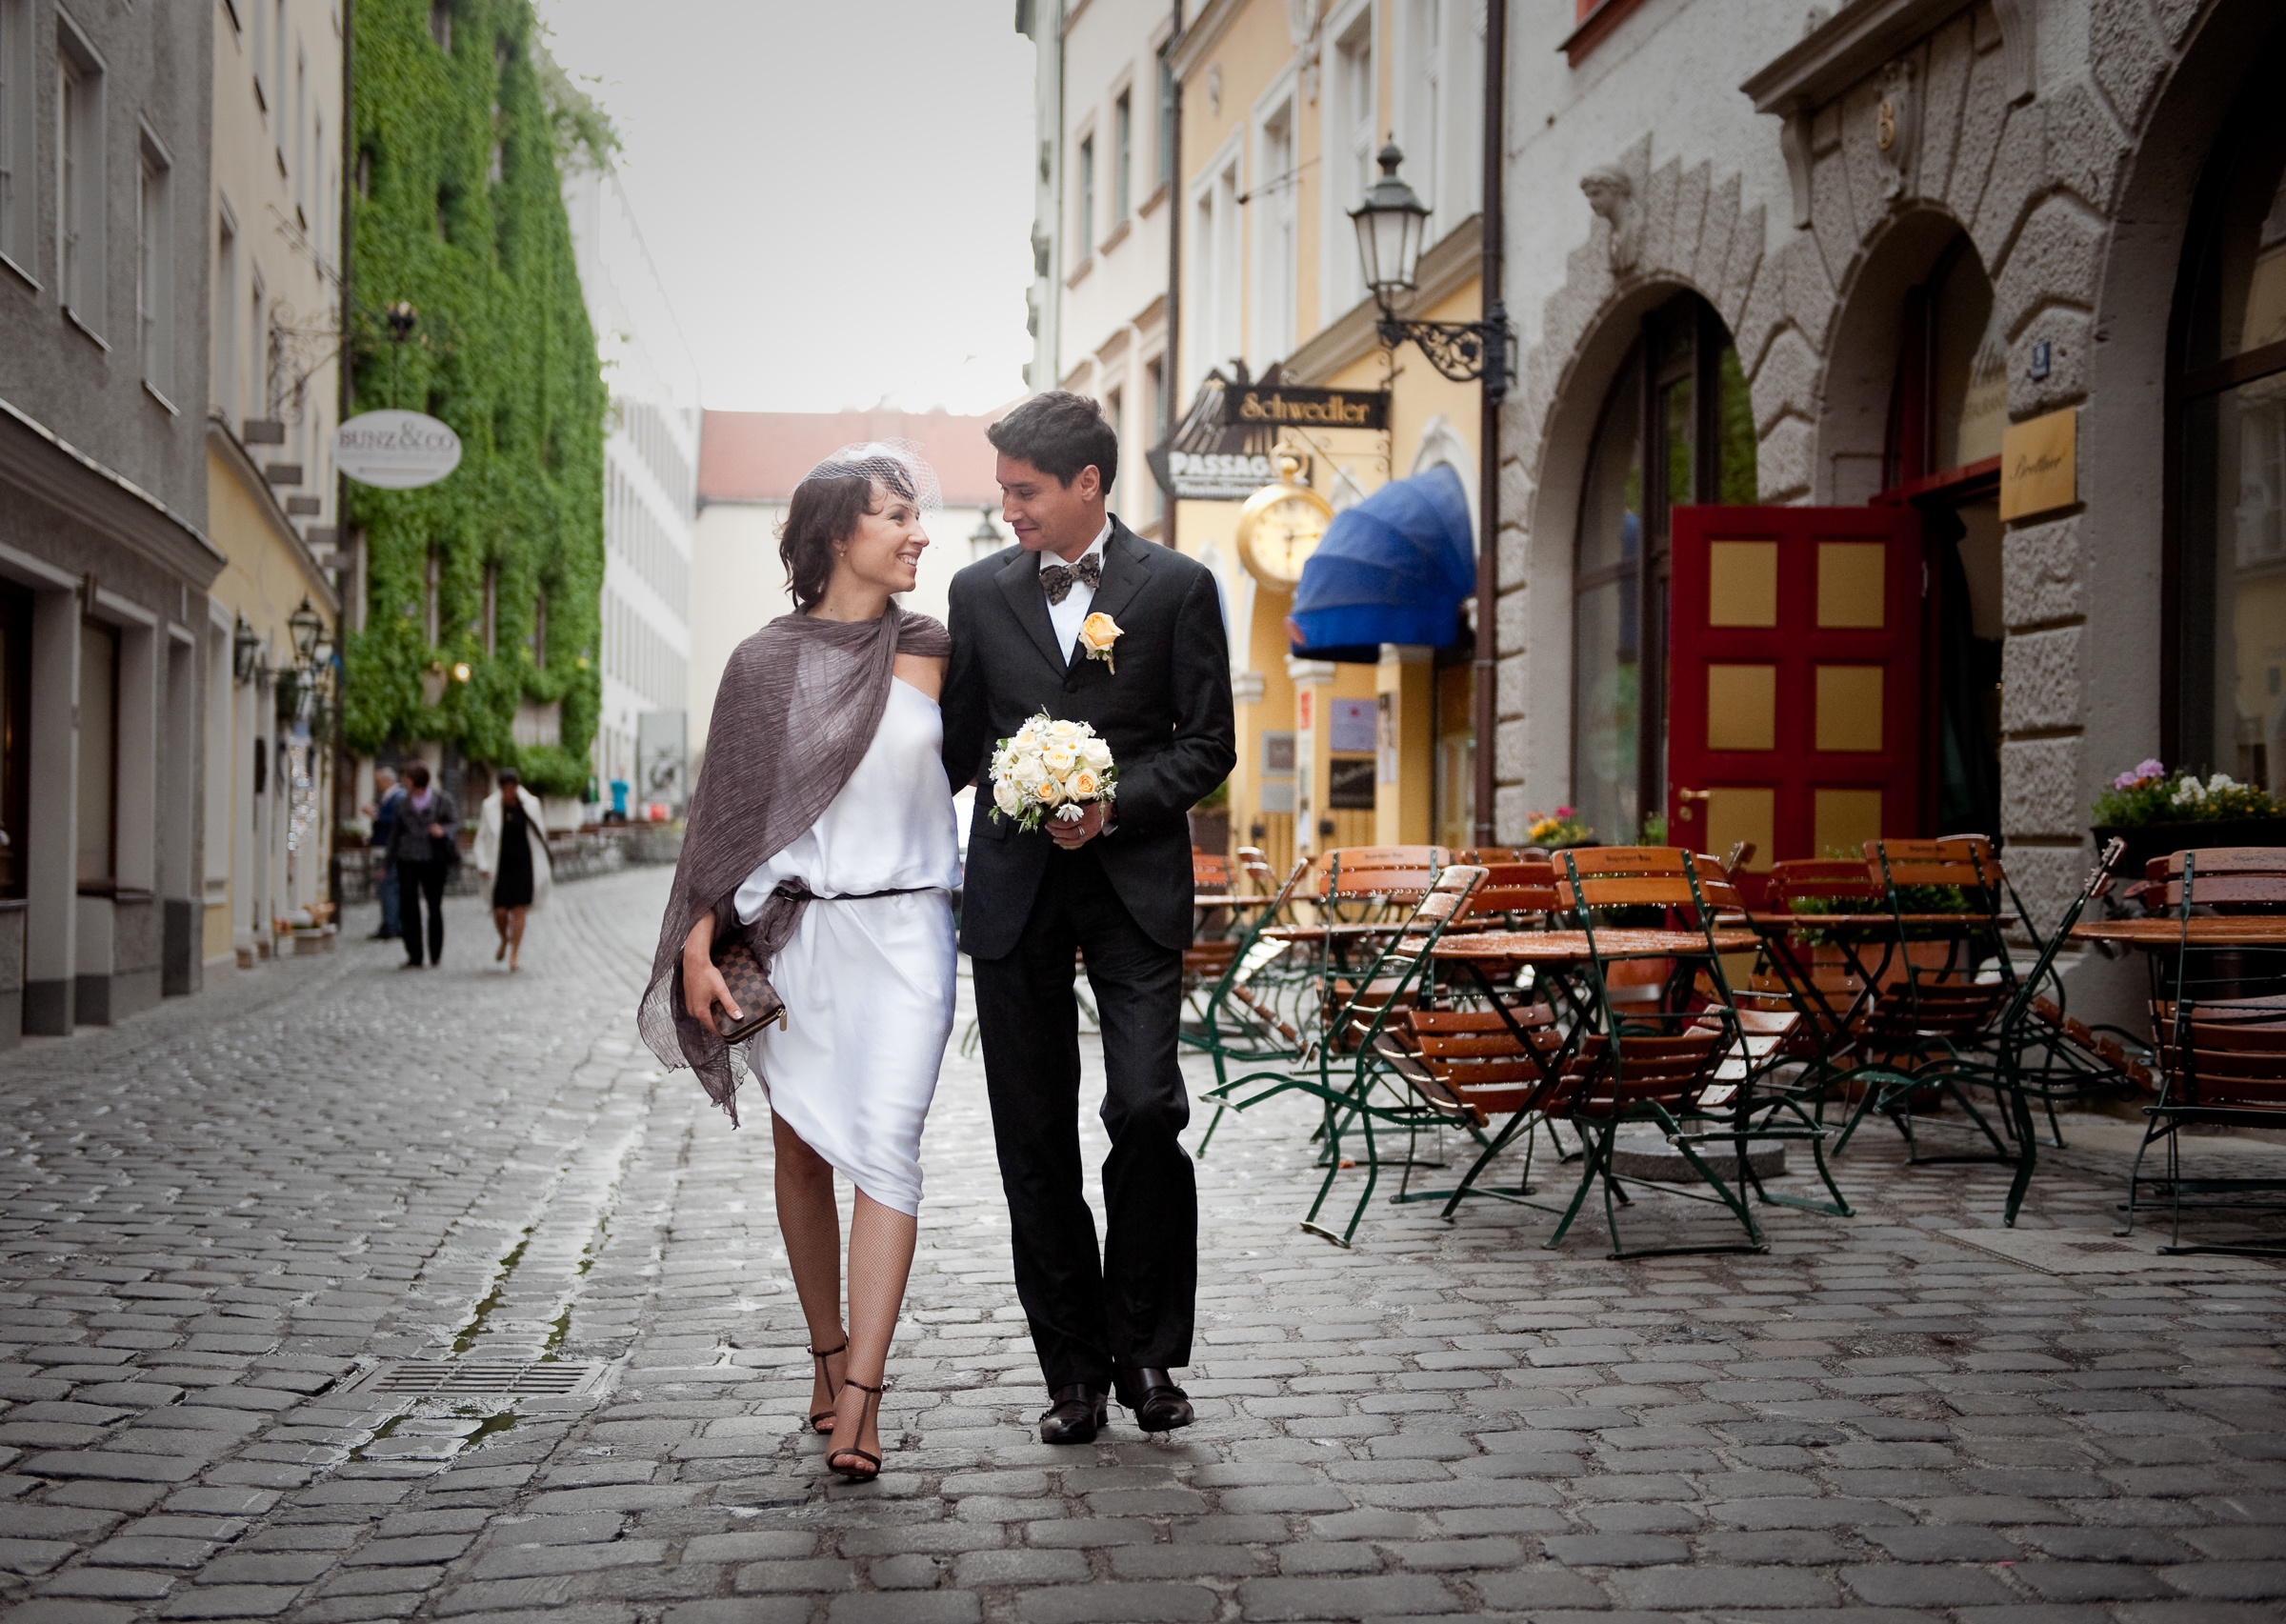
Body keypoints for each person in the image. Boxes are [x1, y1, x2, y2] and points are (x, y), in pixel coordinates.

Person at [637, 442, 956, 1483]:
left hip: (910, 935)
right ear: (836, 535)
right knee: (804, 1148)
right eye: (896, 516)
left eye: (916, 516)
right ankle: (826, 1354)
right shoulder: (762, 664)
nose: (918, 535)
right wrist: (696, 948)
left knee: (889, 1148)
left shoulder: (932, 648)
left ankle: (863, 1394)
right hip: (796, 932)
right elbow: (721, 824)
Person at [940, 391, 1236, 1445]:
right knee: (1032, 1133)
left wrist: (1118, 803)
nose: (1008, 509)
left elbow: (1209, 743)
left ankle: (1146, 1352)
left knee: (1146, 1109)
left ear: (1088, 485)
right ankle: (1072, 1371)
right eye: (1004, 490)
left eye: (1023, 491)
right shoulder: (976, 593)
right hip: (1013, 888)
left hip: (1133, 883)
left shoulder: (1179, 586)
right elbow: (954, 744)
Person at [475, 770, 552, 971]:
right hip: (501, 866)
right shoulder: (490, 806)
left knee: (519, 910)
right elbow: (481, 838)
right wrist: (482, 863)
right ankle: (504, 939)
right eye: (506, 788)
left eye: (513, 787)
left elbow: (540, 835)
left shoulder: (530, 805)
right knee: (500, 911)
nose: (510, 792)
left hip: (524, 865)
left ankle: (514, 955)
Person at [391, 762, 460, 968]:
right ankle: (415, 955)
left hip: (433, 859)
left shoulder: (442, 800)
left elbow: (455, 823)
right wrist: (387, 862)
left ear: (415, 781)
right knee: (408, 906)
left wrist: (443, 830)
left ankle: (435, 954)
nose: (404, 782)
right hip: (408, 858)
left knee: (434, 906)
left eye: (406, 778)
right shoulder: (402, 803)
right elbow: (395, 834)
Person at [367, 768, 404, 940]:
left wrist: (376, 815)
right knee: (387, 887)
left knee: (388, 886)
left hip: (388, 850)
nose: (376, 785)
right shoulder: (389, 796)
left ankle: (391, 925)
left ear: (387, 780)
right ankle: (392, 924)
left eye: (378, 781)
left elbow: (395, 822)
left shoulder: (398, 796)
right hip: (384, 848)